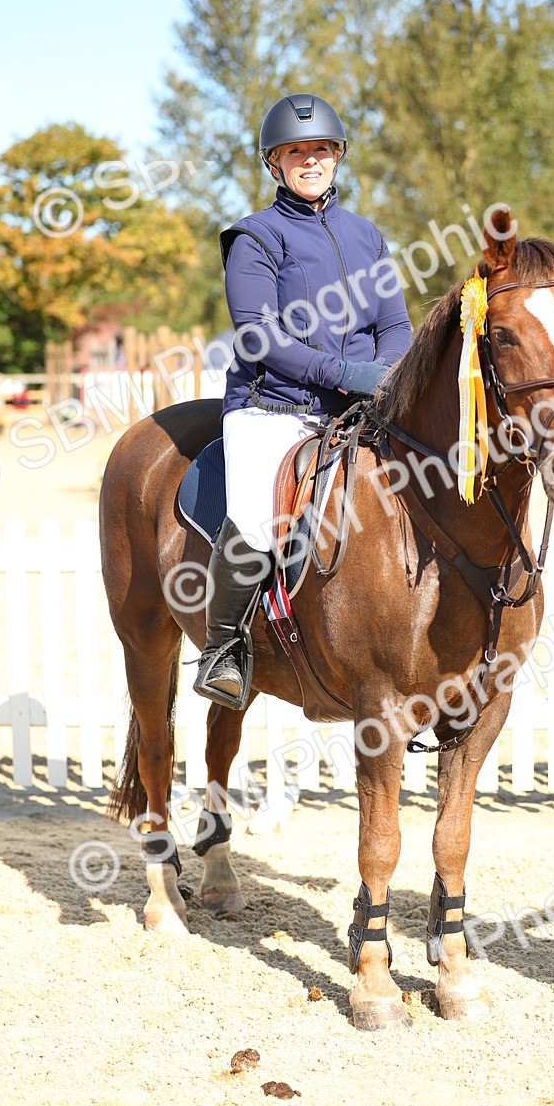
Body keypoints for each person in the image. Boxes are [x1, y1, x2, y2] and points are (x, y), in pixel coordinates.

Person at [194, 93, 412, 706]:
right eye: (296, 152)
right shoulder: (254, 237)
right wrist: (346, 372)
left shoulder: (368, 237)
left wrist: (390, 374)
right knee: (260, 518)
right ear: (274, 163)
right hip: (272, 407)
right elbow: (259, 334)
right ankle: (224, 646)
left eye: (320, 149)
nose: (310, 161)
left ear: (337, 156)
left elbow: (395, 325)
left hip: (355, 408)